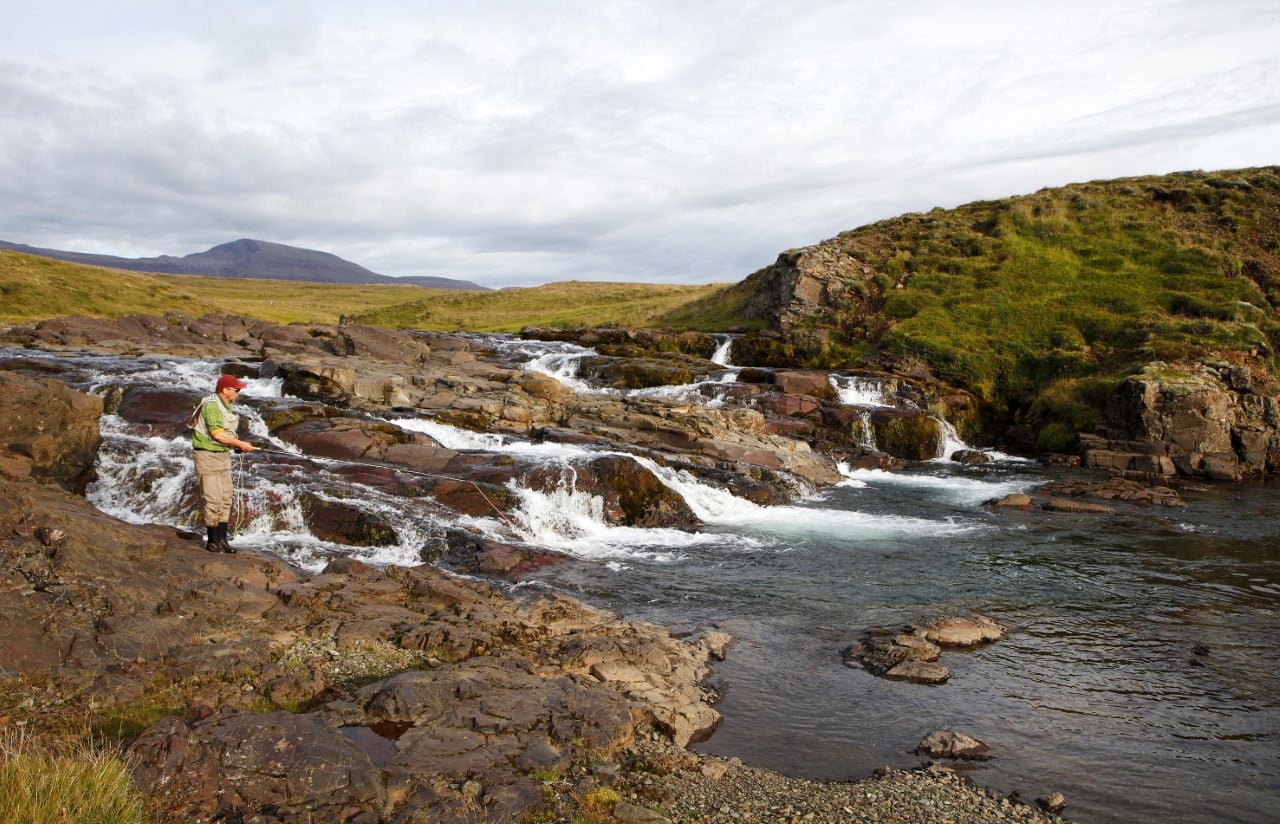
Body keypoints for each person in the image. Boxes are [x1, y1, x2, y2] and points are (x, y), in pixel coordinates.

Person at [189, 374, 256, 552]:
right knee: (213, 499)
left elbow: (225, 436)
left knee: (226, 499)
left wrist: (236, 446)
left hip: (222, 457)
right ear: (225, 390)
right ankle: (212, 541)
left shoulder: (225, 406)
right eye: (237, 390)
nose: (239, 392)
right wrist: (241, 444)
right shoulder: (211, 405)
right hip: (207, 457)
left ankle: (223, 540)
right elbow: (217, 434)